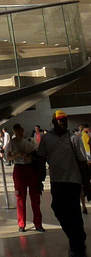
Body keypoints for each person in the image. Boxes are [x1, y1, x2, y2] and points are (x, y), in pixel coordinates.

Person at [37, 109, 91, 257]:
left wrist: (87, 184)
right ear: (54, 122)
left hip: (73, 181)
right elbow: (41, 159)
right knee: (58, 209)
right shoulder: (47, 139)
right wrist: (39, 180)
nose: (63, 123)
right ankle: (78, 238)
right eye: (61, 120)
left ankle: (77, 246)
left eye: (65, 120)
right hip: (57, 181)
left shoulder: (73, 138)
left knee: (73, 213)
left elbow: (82, 162)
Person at [6, 123, 44, 232]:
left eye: (21, 131)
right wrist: (18, 155)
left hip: (30, 168)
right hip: (20, 169)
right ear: (15, 132)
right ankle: (22, 224)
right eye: (17, 132)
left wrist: (28, 156)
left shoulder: (28, 142)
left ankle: (37, 223)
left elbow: (36, 153)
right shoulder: (12, 143)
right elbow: (7, 157)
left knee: (35, 197)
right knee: (21, 198)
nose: (20, 134)